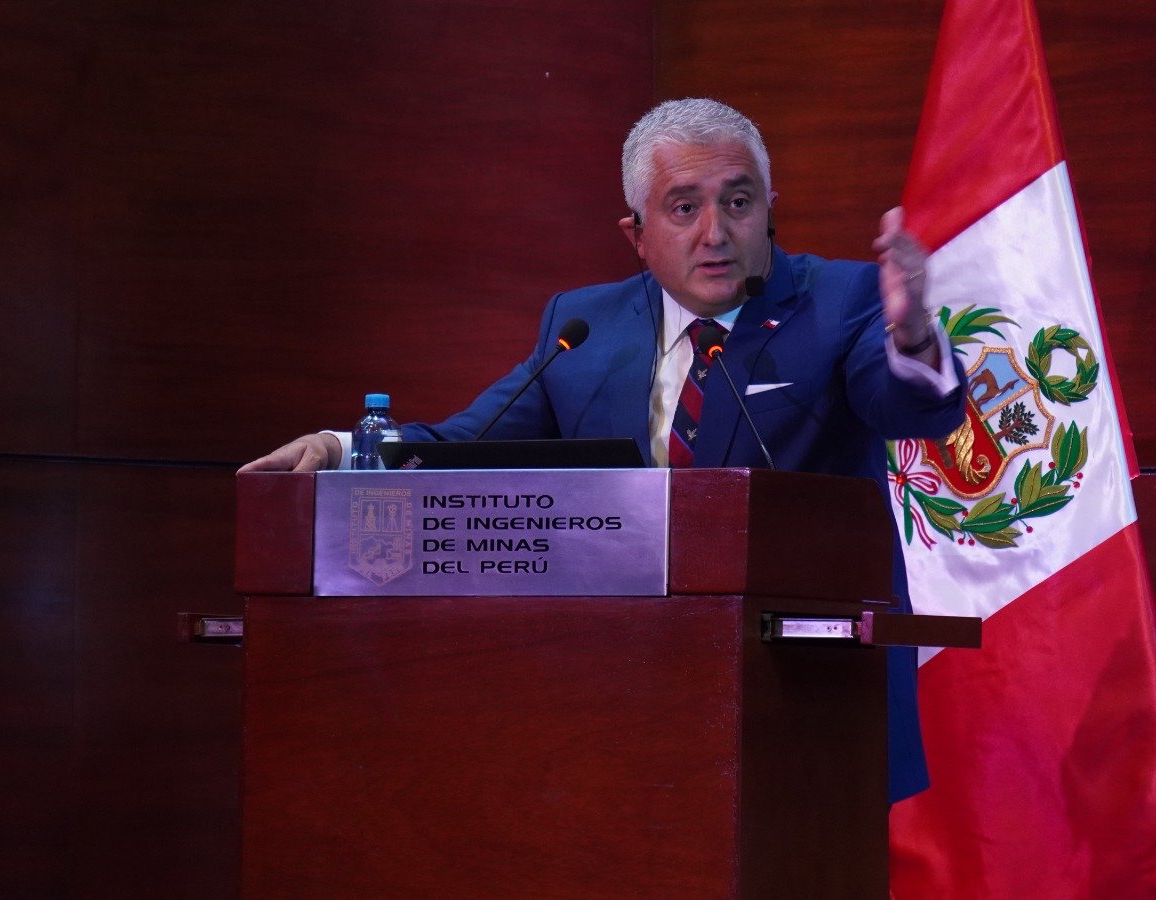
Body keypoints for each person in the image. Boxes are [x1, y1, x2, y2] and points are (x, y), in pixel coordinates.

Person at [240, 98, 967, 801]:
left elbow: (915, 408)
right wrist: (339, 449)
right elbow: (469, 443)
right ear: (637, 233)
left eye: (738, 202)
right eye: (685, 208)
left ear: (768, 207)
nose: (716, 231)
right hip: (624, 695)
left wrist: (912, 339)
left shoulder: (841, 300)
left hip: (804, 695)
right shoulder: (584, 324)